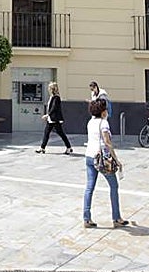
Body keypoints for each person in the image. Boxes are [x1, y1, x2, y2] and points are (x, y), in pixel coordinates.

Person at [83, 97, 128, 228]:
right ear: (103, 111)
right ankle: (116, 217)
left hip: (89, 156)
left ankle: (87, 218)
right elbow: (107, 143)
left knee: (89, 188)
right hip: (101, 158)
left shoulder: (90, 122)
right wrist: (116, 159)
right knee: (114, 186)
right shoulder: (104, 123)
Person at [36, 81, 74, 154]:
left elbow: (54, 108)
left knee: (61, 133)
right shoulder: (52, 97)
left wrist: (47, 115)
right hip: (51, 119)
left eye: (49, 88)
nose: (48, 89)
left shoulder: (56, 97)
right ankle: (42, 148)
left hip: (55, 119)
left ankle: (69, 147)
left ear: (52, 89)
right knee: (46, 133)